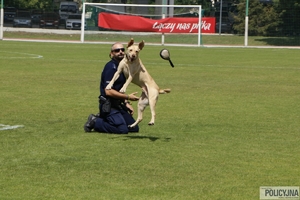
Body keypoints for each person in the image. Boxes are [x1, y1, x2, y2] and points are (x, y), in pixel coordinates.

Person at [84, 42, 140, 134]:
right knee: (122, 130)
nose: (120, 52)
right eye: (117, 50)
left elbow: (119, 88)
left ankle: (104, 118)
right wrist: (127, 97)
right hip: (108, 105)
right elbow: (108, 92)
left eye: (122, 50)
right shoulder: (111, 67)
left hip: (118, 104)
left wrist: (126, 103)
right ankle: (95, 121)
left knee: (133, 128)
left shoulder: (123, 67)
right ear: (111, 53)